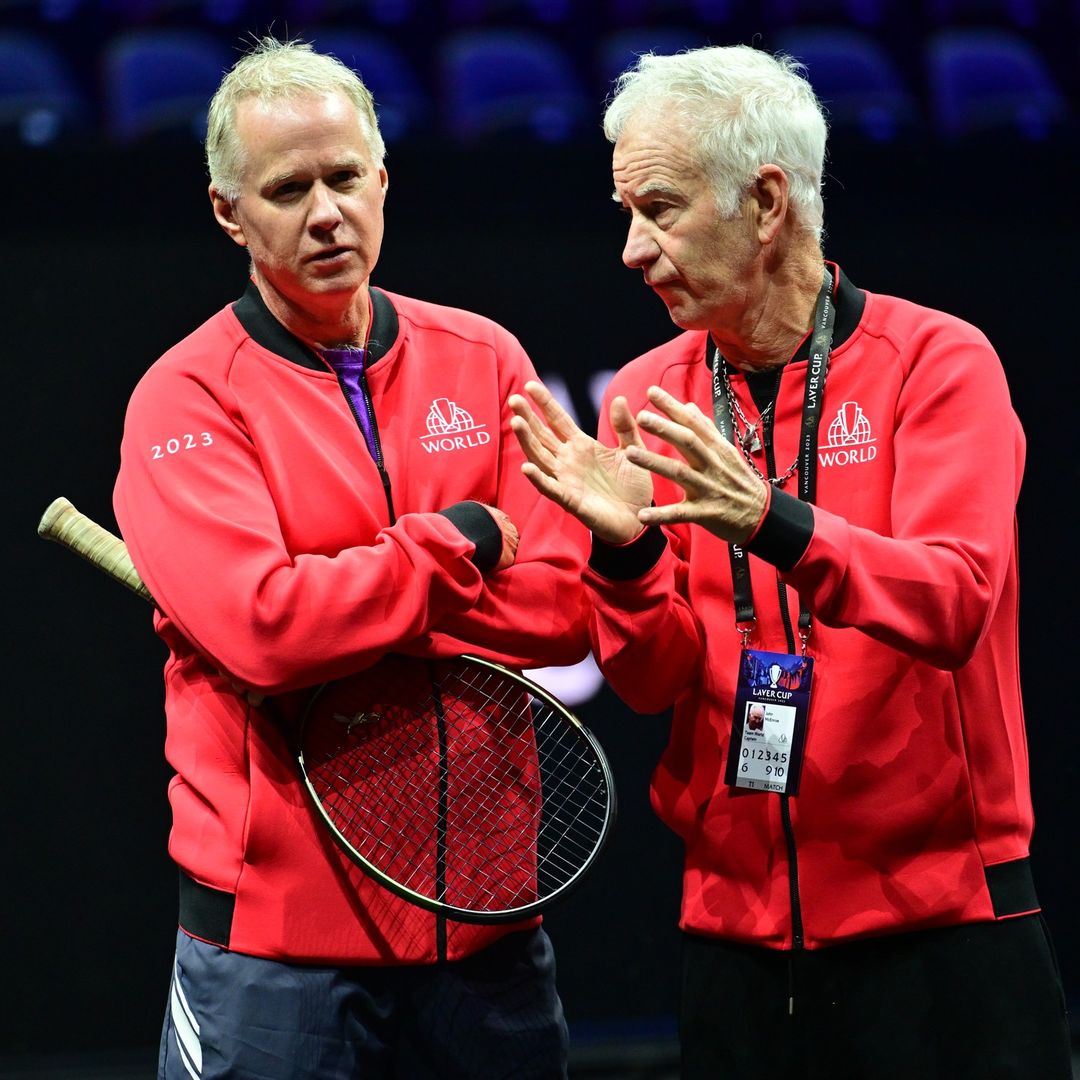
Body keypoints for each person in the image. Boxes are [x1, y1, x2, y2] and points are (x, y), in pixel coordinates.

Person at [509, 44, 1072, 1079]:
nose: (632, 250)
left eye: (662, 209)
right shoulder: (650, 386)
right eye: (626, 212)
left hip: (942, 923)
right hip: (735, 936)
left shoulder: (937, 364)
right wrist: (627, 557)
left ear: (767, 202)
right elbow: (649, 680)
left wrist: (776, 522)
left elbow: (953, 602)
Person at [112, 36, 589, 1080]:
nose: (325, 211)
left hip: (488, 935)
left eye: (343, 178)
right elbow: (267, 632)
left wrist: (353, 602)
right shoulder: (186, 398)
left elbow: (564, 608)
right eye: (287, 188)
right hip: (276, 957)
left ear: (383, 180)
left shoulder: (486, 357)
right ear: (229, 212)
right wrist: (459, 541)